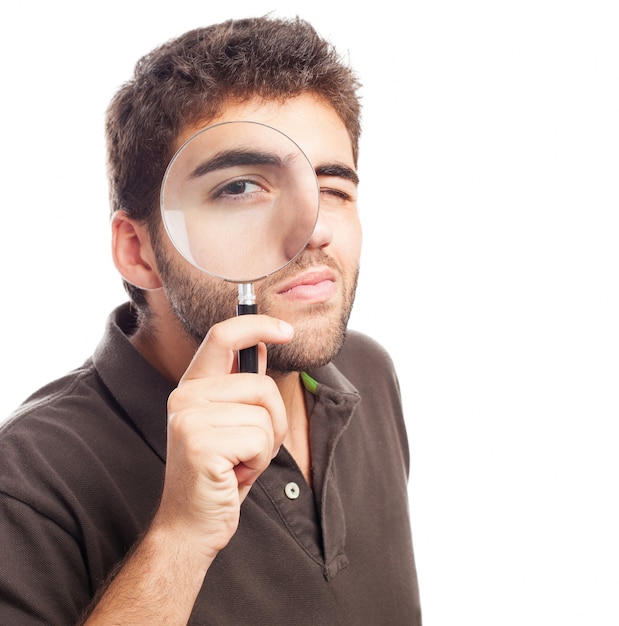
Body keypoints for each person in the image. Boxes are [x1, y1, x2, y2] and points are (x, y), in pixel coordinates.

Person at [0, 16, 422, 625]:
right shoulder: (27, 481)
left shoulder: (366, 372)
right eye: (243, 187)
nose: (314, 228)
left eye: (332, 187)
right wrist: (181, 538)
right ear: (139, 250)